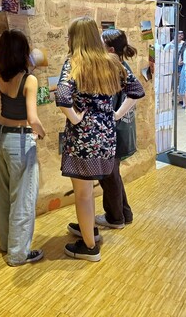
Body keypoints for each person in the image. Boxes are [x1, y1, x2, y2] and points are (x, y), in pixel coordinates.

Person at [56, 17, 143, 262]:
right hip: (106, 137)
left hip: (82, 140)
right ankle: (89, 229)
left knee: (83, 194)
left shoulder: (73, 63)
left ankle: (89, 246)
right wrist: (115, 114)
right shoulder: (112, 61)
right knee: (91, 189)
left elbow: (62, 96)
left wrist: (75, 118)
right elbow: (137, 90)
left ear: (76, 38)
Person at [0, 29, 45, 267]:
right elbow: (33, 118)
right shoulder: (29, 80)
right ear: (22, 51)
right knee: (23, 198)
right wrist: (42, 132)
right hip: (20, 140)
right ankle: (18, 254)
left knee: (4, 195)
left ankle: (7, 245)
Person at [94, 29, 144, 229]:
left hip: (116, 131)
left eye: (101, 43)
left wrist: (116, 115)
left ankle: (115, 218)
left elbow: (137, 92)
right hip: (120, 130)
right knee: (112, 174)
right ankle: (124, 214)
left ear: (111, 50)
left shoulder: (115, 67)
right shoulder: (120, 66)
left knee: (109, 176)